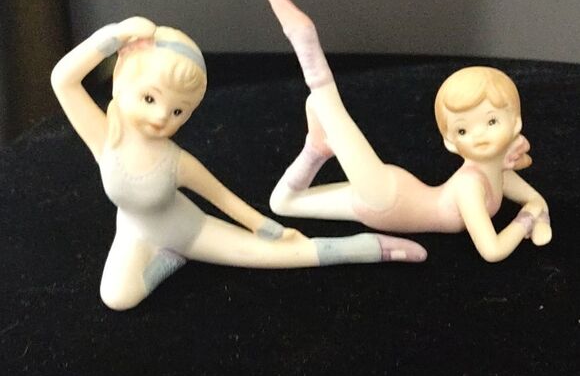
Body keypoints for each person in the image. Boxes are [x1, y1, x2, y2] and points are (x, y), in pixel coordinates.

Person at [51, 17, 426, 310]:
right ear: (120, 82)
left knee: (280, 257)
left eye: (178, 111)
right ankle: (169, 258)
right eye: (149, 99)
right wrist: (114, 36)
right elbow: (63, 81)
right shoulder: (105, 140)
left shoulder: (176, 161)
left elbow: (224, 200)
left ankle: (365, 247)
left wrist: (272, 230)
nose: (162, 116)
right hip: (134, 232)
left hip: (192, 230)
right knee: (117, 297)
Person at [266, 0, 551, 263]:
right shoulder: (470, 186)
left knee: (282, 203)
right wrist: (526, 220)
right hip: (386, 199)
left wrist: (538, 210)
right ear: (450, 142)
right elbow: (493, 250)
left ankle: (316, 149)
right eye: (463, 130)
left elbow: (536, 200)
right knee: (330, 106)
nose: (479, 135)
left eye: (491, 121)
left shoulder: (500, 173)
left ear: (516, 123)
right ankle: (306, 45)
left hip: (389, 199)